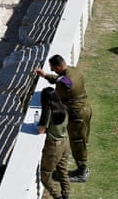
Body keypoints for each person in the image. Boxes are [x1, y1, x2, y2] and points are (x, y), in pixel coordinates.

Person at [32, 54, 91, 182]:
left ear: (59, 66)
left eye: (53, 68)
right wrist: (46, 75)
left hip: (77, 115)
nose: (53, 70)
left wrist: (48, 76)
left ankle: (82, 172)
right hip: (84, 109)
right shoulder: (74, 71)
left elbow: (62, 81)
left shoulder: (67, 81)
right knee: (81, 140)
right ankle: (82, 167)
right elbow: (60, 79)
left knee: (77, 142)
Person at [38, 87, 72, 199]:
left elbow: (41, 130)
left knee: (45, 176)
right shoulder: (63, 107)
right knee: (63, 172)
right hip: (65, 142)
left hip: (54, 147)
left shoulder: (49, 112)